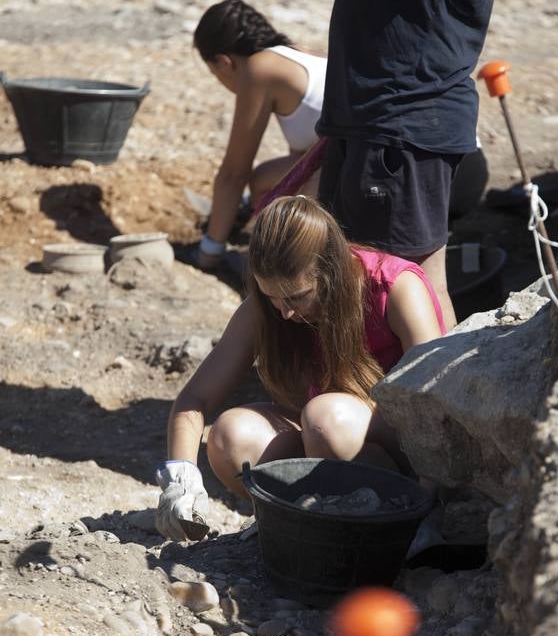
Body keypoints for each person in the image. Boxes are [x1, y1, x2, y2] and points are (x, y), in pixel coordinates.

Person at [155, 195, 445, 540]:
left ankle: (390, 520)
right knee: (229, 436)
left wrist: (429, 504)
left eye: (296, 297)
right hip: (329, 438)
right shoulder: (270, 306)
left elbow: (432, 401)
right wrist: (181, 478)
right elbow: (195, 398)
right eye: (273, 298)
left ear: (331, 270)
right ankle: (312, 523)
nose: (285, 313)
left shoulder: (393, 287)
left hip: (412, 447)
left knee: (325, 418)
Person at [316, 0, 501, 329]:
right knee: (351, 276)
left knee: (413, 285)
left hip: (404, 124)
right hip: (367, 118)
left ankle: (426, 389)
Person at [192, 0, 327, 270]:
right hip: (372, 159)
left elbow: (234, 171)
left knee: (263, 180)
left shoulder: (260, 69)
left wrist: (209, 252)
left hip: (356, 164)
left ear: (223, 62)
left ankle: (281, 266)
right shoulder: (300, 55)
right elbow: (307, 154)